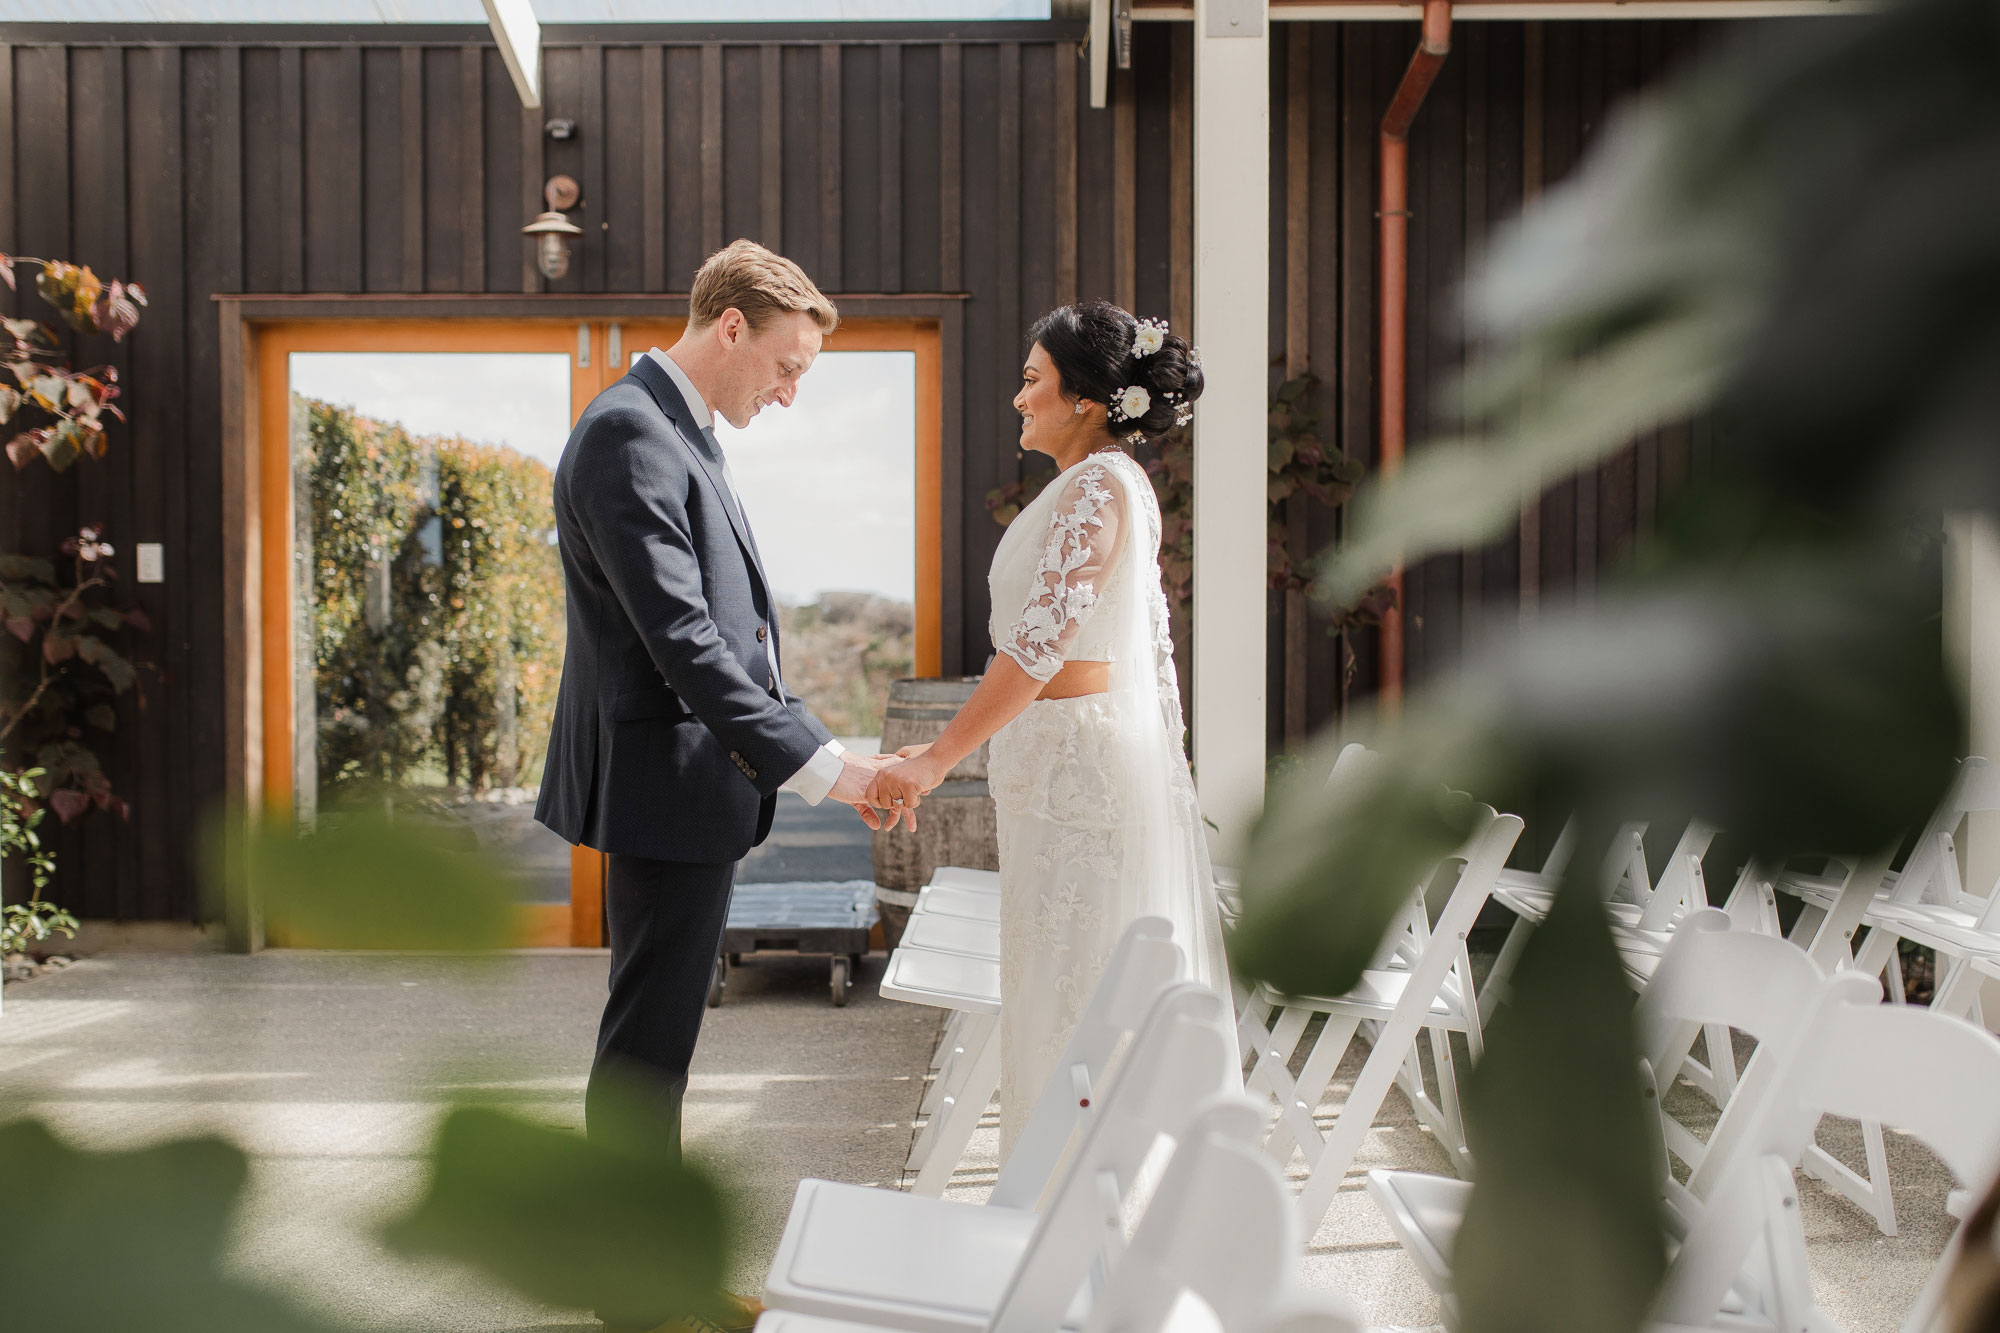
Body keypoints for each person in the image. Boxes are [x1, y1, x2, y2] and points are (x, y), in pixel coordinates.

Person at [535, 240, 896, 1333]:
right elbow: (688, 642)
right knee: (647, 1043)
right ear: (730, 326)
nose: (788, 395)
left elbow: (726, 639)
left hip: (681, 783)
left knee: (656, 1032)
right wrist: (828, 767)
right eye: (785, 367)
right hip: (661, 782)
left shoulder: (671, 431)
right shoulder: (626, 434)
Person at [868, 300, 1230, 1155]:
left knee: (1080, 996)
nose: (1019, 398)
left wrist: (935, 760)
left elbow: (1037, 648)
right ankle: (1059, 1209)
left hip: (1080, 788)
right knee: (1055, 985)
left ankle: (1079, 1211)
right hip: (1060, 779)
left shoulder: (1100, 485)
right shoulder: (1093, 484)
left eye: (1034, 381)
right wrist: (941, 747)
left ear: (1087, 400)